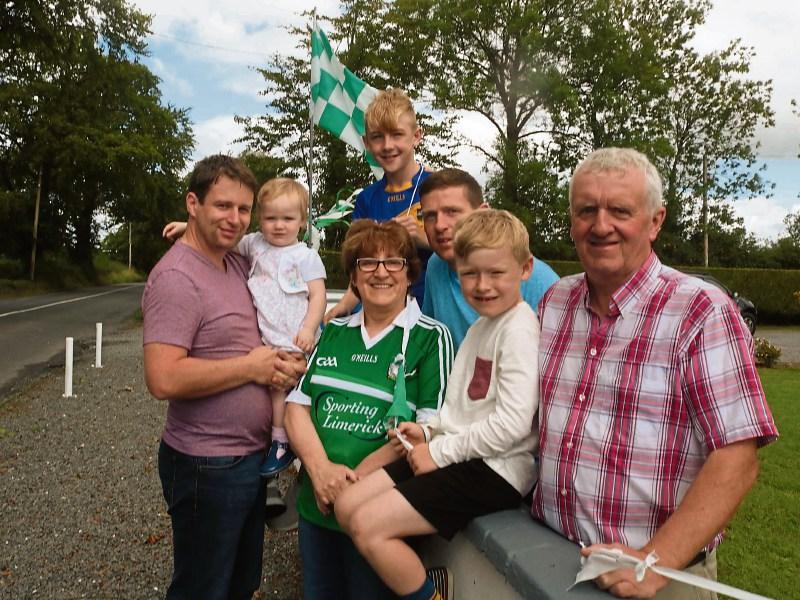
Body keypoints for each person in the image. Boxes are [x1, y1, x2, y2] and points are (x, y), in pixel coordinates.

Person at [531, 147, 779, 599]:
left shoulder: (701, 312)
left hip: (655, 575)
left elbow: (737, 458)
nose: (601, 225)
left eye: (620, 211)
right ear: (571, 222)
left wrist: (655, 561)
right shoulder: (554, 304)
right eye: (587, 210)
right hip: (552, 555)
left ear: (655, 221)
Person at [335, 210, 540, 600]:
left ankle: (428, 593)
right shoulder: (483, 325)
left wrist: (440, 451)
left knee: (367, 525)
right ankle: (413, 575)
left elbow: (513, 425)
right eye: (470, 274)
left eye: (495, 273)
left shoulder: (518, 330)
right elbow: (463, 406)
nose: (482, 286)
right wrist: (428, 431)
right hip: (459, 454)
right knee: (347, 504)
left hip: (495, 469)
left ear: (525, 269)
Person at [142, 155, 307, 600]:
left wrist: (282, 364)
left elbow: (264, 322)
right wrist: (250, 367)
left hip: (250, 459)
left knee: (240, 583)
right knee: (203, 587)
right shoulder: (176, 278)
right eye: (222, 206)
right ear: (193, 203)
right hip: (206, 464)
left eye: (242, 209)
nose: (234, 219)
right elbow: (162, 378)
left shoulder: (234, 262)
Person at [285, 220, 454, 599]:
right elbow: (297, 406)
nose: (381, 272)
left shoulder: (430, 337)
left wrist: (352, 483)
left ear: (410, 274)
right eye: (367, 263)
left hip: (377, 509)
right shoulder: (334, 332)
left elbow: (429, 429)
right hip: (318, 505)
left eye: (394, 262)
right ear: (354, 278)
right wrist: (321, 471)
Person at [163, 177, 327, 476]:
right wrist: (186, 226)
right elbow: (219, 236)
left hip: (295, 334)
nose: (279, 226)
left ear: (302, 222)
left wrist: (309, 328)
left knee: (292, 390)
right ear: (260, 219)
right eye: (270, 218)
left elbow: (318, 296)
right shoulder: (255, 245)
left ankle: (284, 440)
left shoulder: (306, 256)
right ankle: (280, 440)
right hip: (269, 336)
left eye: (288, 219)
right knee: (277, 388)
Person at [419, 168, 559, 349]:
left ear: (483, 212)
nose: (439, 225)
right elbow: (431, 338)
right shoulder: (435, 265)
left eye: (452, 211)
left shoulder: (539, 280)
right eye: (430, 216)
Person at [325, 88, 433, 320]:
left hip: (429, 314)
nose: (387, 145)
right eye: (377, 137)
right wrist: (342, 306)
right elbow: (360, 268)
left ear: (416, 136)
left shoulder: (439, 188)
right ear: (366, 142)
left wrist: (423, 239)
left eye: (396, 135)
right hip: (377, 317)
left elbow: (468, 251)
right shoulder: (366, 199)